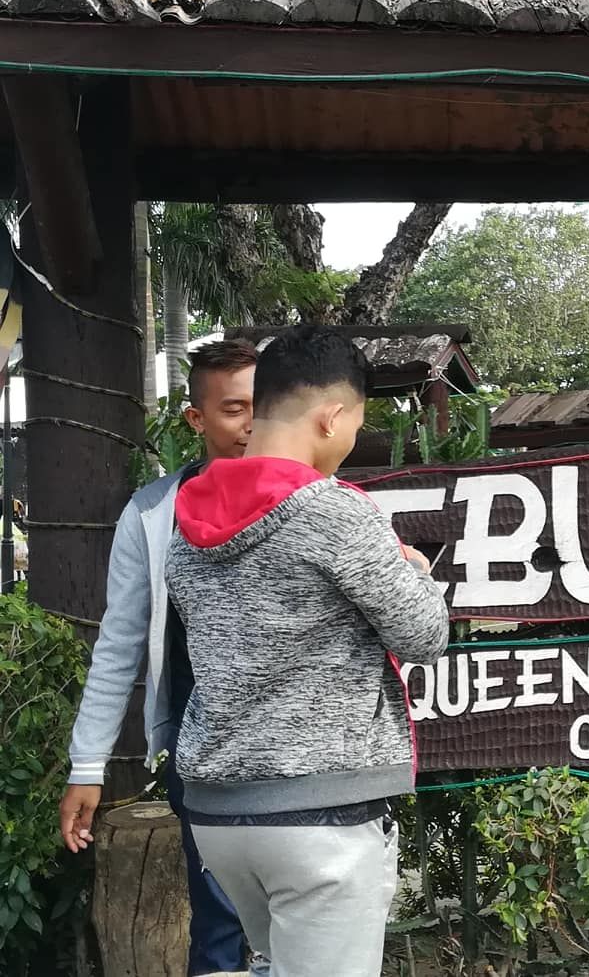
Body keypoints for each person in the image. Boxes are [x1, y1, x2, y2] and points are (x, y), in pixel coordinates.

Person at [167, 324, 449, 977]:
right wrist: (417, 574)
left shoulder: (188, 519)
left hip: (219, 813)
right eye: (355, 426)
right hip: (319, 814)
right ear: (331, 417)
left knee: (272, 965)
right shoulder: (335, 514)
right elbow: (424, 635)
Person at [60, 339, 261, 977]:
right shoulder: (152, 515)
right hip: (200, 751)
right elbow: (119, 643)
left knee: (302, 927)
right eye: (233, 408)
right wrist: (87, 764)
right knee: (220, 920)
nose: (251, 423)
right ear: (196, 419)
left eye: (262, 405)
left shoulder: (318, 500)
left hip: (303, 752)